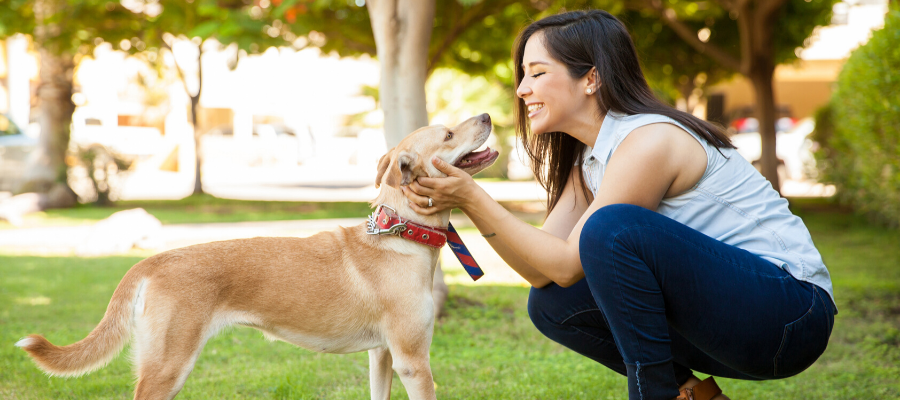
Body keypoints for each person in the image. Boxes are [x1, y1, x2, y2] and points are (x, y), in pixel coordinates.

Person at [401, 9, 836, 400]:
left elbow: (573, 258)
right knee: (553, 304)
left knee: (612, 228)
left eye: (536, 73)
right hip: (732, 327)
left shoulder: (649, 140)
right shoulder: (588, 163)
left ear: (590, 78)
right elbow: (545, 271)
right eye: (523, 75)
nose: (521, 89)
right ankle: (693, 395)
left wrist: (473, 195)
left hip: (790, 314)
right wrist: (467, 201)